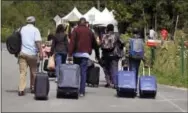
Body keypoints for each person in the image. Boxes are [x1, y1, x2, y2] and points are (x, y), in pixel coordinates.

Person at [68, 17, 99, 97]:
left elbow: (72, 42)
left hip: (76, 54)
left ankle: (75, 88)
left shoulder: (75, 30)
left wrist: (70, 54)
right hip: (85, 55)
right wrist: (97, 55)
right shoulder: (89, 31)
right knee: (83, 72)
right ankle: (82, 91)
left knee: (76, 72)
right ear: (86, 23)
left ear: (78, 23)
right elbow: (95, 44)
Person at [18, 16, 43, 96]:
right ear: (34, 22)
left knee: (23, 72)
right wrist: (41, 52)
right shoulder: (35, 30)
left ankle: (21, 89)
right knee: (34, 72)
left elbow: (16, 39)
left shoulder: (21, 29)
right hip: (32, 54)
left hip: (22, 53)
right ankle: (33, 87)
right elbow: (38, 42)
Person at [100, 24, 124, 88]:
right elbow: (122, 43)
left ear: (107, 29)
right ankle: (115, 84)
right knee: (114, 69)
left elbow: (101, 45)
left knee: (106, 69)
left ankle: (108, 82)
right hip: (114, 55)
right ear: (113, 29)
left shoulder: (104, 36)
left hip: (106, 55)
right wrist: (120, 48)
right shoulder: (116, 35)